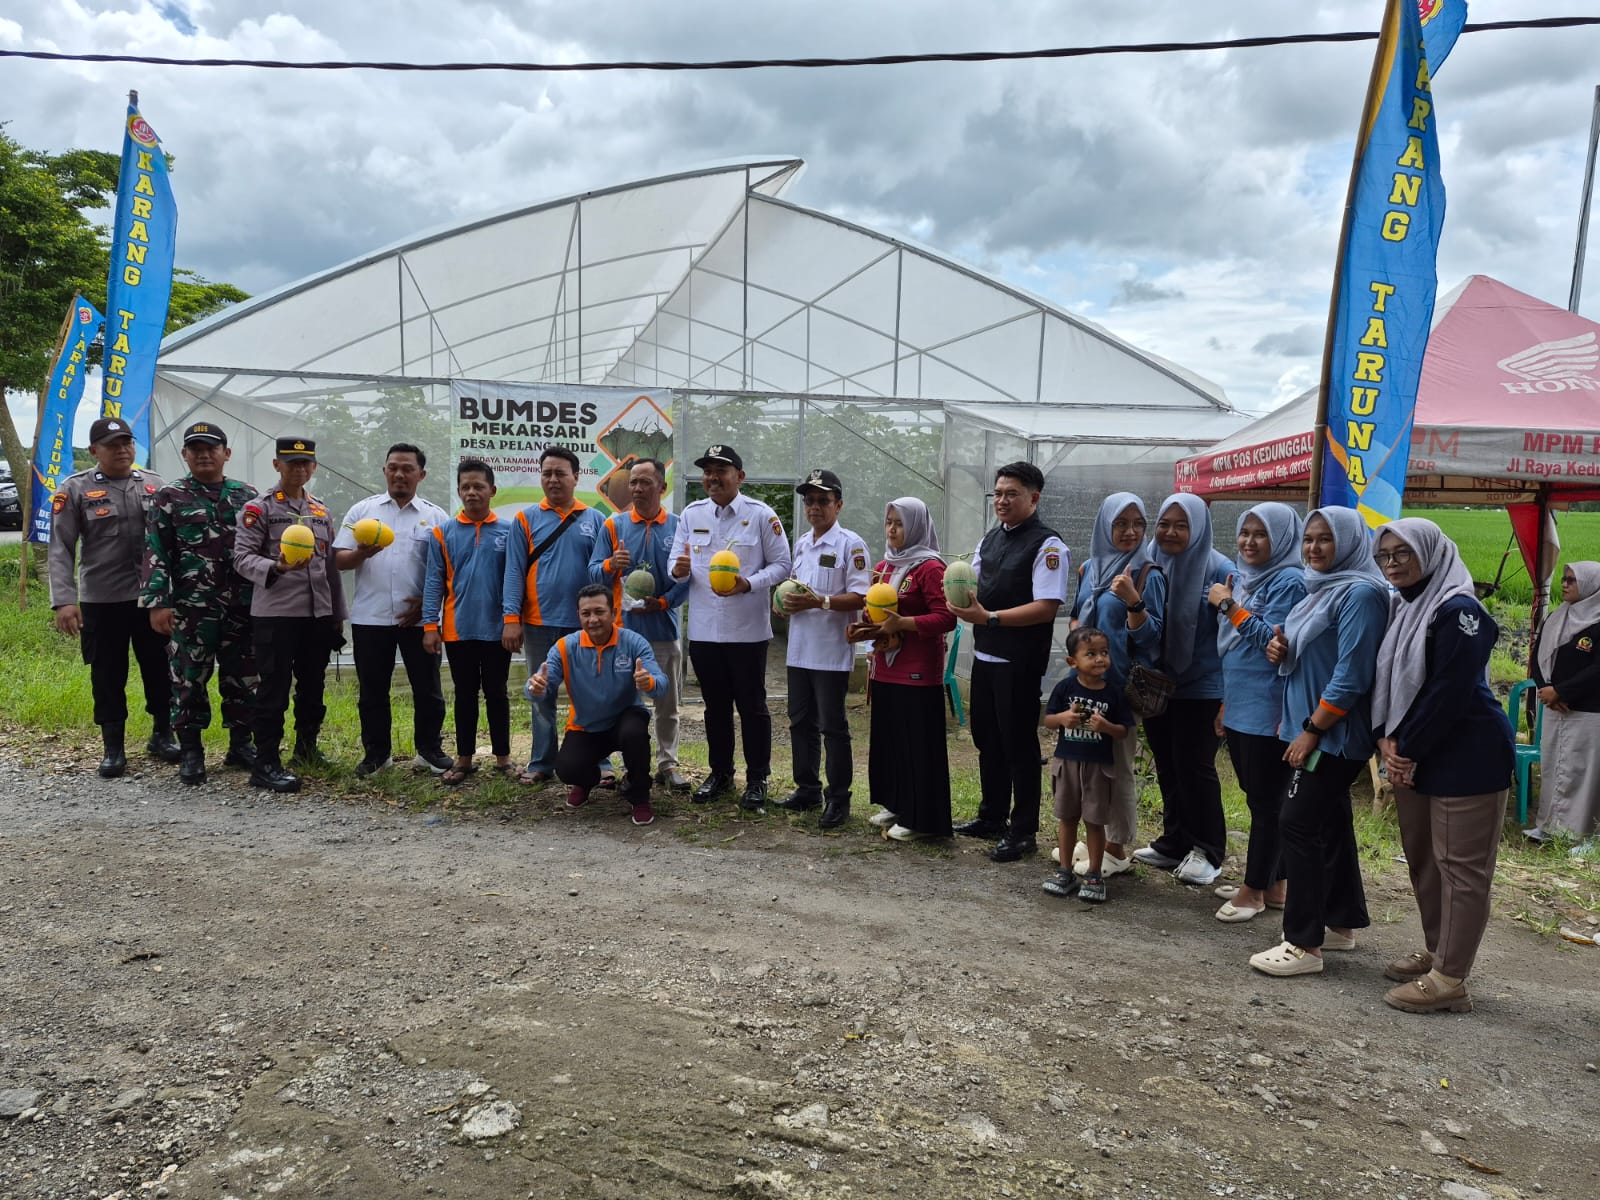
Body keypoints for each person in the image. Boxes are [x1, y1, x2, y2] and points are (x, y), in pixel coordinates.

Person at [1372, 517, 1515, 1014]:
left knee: (1461, 868)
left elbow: (1449, 691)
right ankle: (1438, 952)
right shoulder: (1402, 607)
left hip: (1466, 753)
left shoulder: (1458, 611)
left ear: (1431, 552)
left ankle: (1451, 978)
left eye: (1403, 554)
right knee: (1425, 859)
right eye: (1385, 556)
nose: (1393, 564)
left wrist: (1403, 747)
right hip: (1416, 751)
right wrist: (1386, 741)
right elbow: (1388, 684)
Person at [1250, 507, 1389, 978]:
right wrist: (1279, 646)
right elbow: (1305, 647)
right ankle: (1341, 921)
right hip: (1310, 727)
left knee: (1296, 823)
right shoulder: (1321, 589)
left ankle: (1302, 944)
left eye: (1325, 539)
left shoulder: (1362, 593)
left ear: (1350, 542)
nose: (1313, 548)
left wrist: (1312, 729)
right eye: (1309, 539)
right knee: (1329, 823)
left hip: (1331, 733)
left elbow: (1352, 676)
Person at [946, 461, 1070, 862]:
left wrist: (991, 617)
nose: (1002, 500)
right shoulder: (991, 539)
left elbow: (1047, 607)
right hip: (985, 655)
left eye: (1011, 493)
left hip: (1018, 660)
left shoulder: (1048, 545)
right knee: (988, 738)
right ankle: (992, 815)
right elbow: (973, 582)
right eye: (997, 493)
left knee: (1018, 744)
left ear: (1034, 497)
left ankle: (1023, 830)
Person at [48, 416, 176, 777]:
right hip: (102, 599)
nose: (122, 449)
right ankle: (113, 746)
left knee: (160, 667)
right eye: (112, 444)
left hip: (150, 599)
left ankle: (162, 734)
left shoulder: (155, 484)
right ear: (94, 451)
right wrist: (64, 599)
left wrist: (171, 593)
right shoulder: (74, 488)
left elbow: (170, 544)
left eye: (127, 443)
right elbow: (60, 547)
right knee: (107, 673)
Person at [668, 445, 792, 811]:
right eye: (707, 470)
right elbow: (676, 559)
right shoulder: (692, 514)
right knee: (714, 707)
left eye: (721, 470)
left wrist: (749, 583)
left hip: (747, 631)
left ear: (739, 476)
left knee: (752, 707)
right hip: (705, 631)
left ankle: (757, 779)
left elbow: (783, 564)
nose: (712, 477)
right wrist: (677, 569)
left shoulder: (760, 515)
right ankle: (720, 773)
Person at [1208, 503, 1306, 922]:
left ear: (1282, 538)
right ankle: (1275, 882)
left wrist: (1229, 606)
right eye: (1244, 532)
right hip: (1242, 703)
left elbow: (1274, 646)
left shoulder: (1291, 581)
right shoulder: (1247, 578)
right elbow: (1236, 649)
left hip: (1269, 709)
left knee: (1266, 803)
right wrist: (1226, 701)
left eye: (1260, 533)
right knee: (1258, 798)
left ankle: (1253, 892)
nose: (1249, 541)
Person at [233, 436, 346, 793]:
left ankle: (306, 750)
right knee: (274, 690)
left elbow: (329, 568)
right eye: (290, 462)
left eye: (305, 464)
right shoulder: (259, 509)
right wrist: (276, 567)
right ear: (276, 465)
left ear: (313, 468)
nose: (298, 469)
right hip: (277, 615)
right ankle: (265, 762)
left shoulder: (321, 511)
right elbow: (242, 558)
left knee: (313, 688)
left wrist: (336, 614)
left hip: (316, 616)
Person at [1130, 494, 1232, 886]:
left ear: (1199, 528)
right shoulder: (1147, 562)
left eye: (1181, 525)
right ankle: (1174, 841)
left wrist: (1228, 695)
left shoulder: (1220, 569)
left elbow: (1232, 633)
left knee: (1196, 767)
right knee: (1168, 764)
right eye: (1164, 523)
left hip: (1203, 685)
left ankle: (1208, 850)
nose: (1170, 532)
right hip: (1157, 684)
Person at [334, 443, 452, 777]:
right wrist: (361, 554)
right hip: (370, 618)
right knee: (372, 690)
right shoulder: (362, 512)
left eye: (408, 468)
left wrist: (429, 607)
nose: (399, 474)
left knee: (428, 689)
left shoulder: (436, 516)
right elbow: (339, 559)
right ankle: (376, 754)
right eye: (393, 467)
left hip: (419, 621)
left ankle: (429, 751)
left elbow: (448, 570)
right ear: (384, 470)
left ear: (421, 474)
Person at [1065, 493, 1164, 875]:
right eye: (1121, 523)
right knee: (1088, 766)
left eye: (1138, 523)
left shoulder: (1147, 574)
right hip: (1086, 685)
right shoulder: (1090, 567)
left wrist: (1134, 602)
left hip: (1119, 688)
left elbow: (1153, 638)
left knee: (1119, 768)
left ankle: (1117, 848)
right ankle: (1096, 840)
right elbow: (1075, 616)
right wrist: (1081, 650)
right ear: (1104, 526)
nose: (1131, 531)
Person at [501, 446, 608, 786]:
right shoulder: (525, 519)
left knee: (593, 694)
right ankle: (541, 762)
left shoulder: (595, 520)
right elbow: (514, 572)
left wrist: (605, 621)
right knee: (541, 693)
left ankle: (601, 762)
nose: (553, 479)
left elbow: (602, 577)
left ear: (576, 477)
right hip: (538, 623)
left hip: (585, 626)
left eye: (560, 473)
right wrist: (511, 618)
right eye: (547, 473)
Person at [851, 497, 956, 841]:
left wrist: (905, 623)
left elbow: (946, 617)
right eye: (889, 522)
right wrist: (867, 624)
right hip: (885, 667)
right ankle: (896, 803)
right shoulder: (883, 566)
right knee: (891, 738)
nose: (893, 530)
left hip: (917, 670)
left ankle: (922, 818)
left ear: (916, 527)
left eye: (900, 523)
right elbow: (876, 612)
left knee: (917, 743)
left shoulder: (930, 568)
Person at [587, 458, 692, 791]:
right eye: (633, 482)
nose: (637, 488)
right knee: (620, 705)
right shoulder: (613, 525)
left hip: (663, 630)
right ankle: (622, 765)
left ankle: (668, 763)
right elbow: (591, 572)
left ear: (662, 487)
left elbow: (689, 578)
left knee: (667, 703)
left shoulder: (678, 526)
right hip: (623, 634)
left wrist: (663, 602)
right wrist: (609, 564)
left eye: (645, 482)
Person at [527, 583, 668, 825]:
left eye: (599, 612)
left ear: (613, 613)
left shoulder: (634, 642)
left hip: (625, 718)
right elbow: (541, 684)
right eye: (586, 613)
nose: (593, 619)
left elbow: (661, 683)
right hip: (586, 725)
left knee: (635, 732)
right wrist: (535, 688)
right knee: (568, 769)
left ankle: (639, 795)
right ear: (578, 616)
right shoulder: (565, 647)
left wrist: (649, 683)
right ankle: (586, 781)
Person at [776, 468, 870, 828]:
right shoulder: (802, 543)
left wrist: (821, 602)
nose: (814, 507)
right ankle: (807, 789)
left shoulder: (851, 544)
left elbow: (861, 595)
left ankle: (839, 799)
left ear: (838, 505)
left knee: (833, 726)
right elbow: (794, 587)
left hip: (831, 650)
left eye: (823, 501)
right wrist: (780, 601)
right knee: (800, 721)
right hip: (799, 649)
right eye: (809, 501)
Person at [422, 459, 514, 784]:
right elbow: (434, 582)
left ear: (492, 490)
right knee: (464, 694)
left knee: (497, 693)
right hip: (457, 630)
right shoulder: (443, 532)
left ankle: (503, 758)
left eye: (478, 486)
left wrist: (512, 621)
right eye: (466, 487)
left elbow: (515, 579)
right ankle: (463, 759)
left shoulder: (510, 531)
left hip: (498, 631)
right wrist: (429, 626)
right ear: (459, 491)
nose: (472, 492)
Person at [1040, 627, 1134, 904]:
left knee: (1095, 821)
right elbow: (1048, 720)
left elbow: (1124, 731)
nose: (1099, 659)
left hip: (1098, 768)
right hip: (1067, 763)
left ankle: (1094, 873)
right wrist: (1063, 719)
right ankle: (1065, 870)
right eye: (1090, 654)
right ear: (1073, 662)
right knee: (1067, 818)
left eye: (1104, 653)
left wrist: (1105, 726)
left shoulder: (1114, 693)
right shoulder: (1066, 689)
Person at [1528, 561, 1600, 843]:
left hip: (1587, 711)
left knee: (1583, 772)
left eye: (1572, 580)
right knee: (1554, 766)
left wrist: (1564, 691)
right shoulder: (1557, 617)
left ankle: (1582, 834)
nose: (1565, 584)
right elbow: (1537, 656)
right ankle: (1550, 826)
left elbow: (1597, 669)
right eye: (1564, 579)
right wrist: (1545, 687)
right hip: (1555, 708)